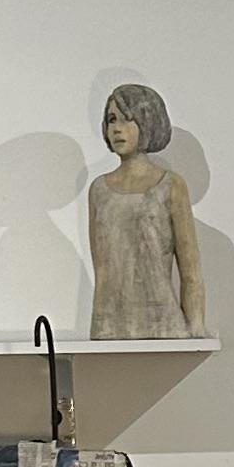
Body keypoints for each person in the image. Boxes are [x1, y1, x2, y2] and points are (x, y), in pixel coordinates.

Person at [86, 82, 204, 337]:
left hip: (163, 324)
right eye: (112, 119)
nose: (117, 129)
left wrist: (196, 329)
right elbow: (102, 270)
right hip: (109, 326)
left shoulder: (171, 185)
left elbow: (190, 270)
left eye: (128, 119)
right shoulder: (99, 190)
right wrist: (99, 325)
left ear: (148, 121)